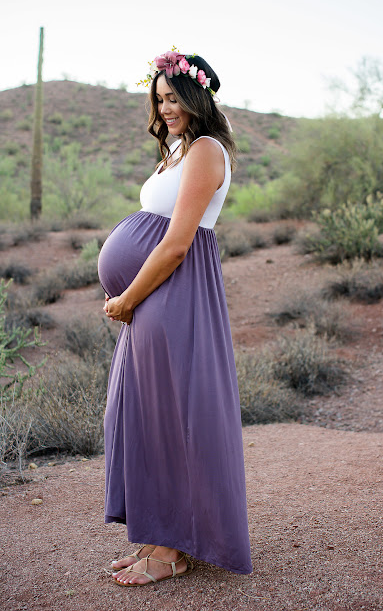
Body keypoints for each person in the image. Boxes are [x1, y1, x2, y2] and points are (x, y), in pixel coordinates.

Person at [97, 50, 253, 587]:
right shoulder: (179, 150)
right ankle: (160, 538)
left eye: (173, 98)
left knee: (170, 423)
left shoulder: (206, 151)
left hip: (173, 294)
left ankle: (170, 552)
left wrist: (127, 300)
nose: (165, 108)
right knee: (147, 419)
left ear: (196, 97)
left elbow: (177, 245)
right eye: (159, 99)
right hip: (155, 299)